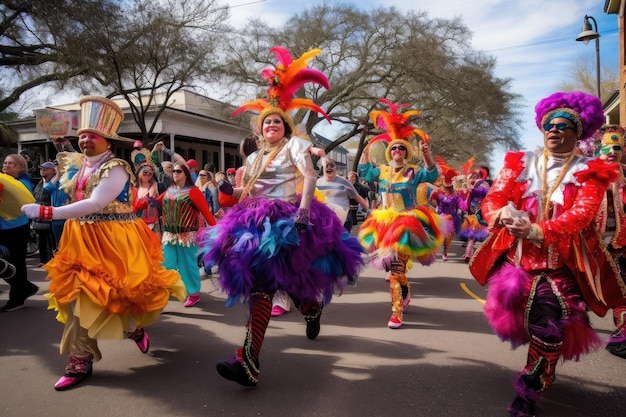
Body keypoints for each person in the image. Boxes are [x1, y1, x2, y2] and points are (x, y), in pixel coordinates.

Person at [197, 46, 365, 387]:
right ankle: (247, 362)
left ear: (285, 127)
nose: (271, 124)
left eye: (277, 121)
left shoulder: (295, 146)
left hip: (293, 221)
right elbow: (248, 191)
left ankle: (310, 309)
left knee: (294, 280)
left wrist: (303, 211)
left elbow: (310, 176)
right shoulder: (255, 156)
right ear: (260, 130)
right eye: (267, 122)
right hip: (256, 226)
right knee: (261, 288)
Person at [468, 91, 626, 417]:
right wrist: (501, 214)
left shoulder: (591, 171)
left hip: (560, 266)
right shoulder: (519, 163)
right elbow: (493, 199)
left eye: (563, 125)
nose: (554, 129)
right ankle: (540, 365)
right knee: (523, 322)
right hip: (516, 263)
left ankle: (531, 385)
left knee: (550, 327)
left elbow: (581, 216)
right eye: (548, 124)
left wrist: (538, 231)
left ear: (577, 132)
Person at [21, 96, 186, 390]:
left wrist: (48, 212)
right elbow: (65, 190)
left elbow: (96, 202)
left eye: (91, 136)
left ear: (106, 140)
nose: (84, 140)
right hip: (80, 239)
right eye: (82, 135)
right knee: (77, 297)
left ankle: (134, 328)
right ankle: (79, 358)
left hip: (114, 240)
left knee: (120, 294)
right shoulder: (77, 165)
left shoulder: (117, 167)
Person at [358, 98, 446, 329]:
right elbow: (365, 172)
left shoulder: (413, 171)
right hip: (384, 223)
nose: (397, 150)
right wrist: (367, 148)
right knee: (390, 267)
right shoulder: (383, 170)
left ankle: (396, 312)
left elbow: (431, 176)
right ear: (389, 152)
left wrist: (427, 154)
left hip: (407, 223)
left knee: (397, 269)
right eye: (393, 148)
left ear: (406, 152)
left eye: (401, 148)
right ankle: (405, 290)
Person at [148, 162, 216, 307]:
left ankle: (194, 293)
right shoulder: (170, 190)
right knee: (166, 264)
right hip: (170, 235)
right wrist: (138, 200)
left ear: (186, 173)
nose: (175, 173)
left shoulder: (193, 191)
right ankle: (165, 292)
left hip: (187, 236)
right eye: (173, 171)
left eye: (178, 171)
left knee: (188, 265)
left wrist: (220, 231)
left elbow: (207, 214)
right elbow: (155, 202)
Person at [585, 124, 626, 359]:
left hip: (621, 244)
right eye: (606, 147)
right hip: (590, 243)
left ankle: (623, 337)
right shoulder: (587, 174)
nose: (611, 152)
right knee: (582, 290)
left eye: (617, 147)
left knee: (622, 292)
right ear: (598, 150)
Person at [0, 153, 38, 312]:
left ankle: (17, 298)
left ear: (21, 167)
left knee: (16, 262)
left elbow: (20, 200)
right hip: (3, 227)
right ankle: (26, 287)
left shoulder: (24, 183)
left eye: (11, 164)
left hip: (16, 228)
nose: (6, 165)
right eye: (5, 162)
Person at [429, 167, 463, 261]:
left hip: (451, 219)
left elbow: (462, 205)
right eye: (445, 186)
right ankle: (433, 252)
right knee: (437, 236)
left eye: (449, 186)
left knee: (448, 238)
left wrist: (465, 195)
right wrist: (433, 198)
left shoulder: (456, 195)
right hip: (440, 217)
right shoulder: (438, 192)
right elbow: (432, 201)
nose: (447, 188)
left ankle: (445, 253)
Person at [458, 167, 490, 262]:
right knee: (472, 235)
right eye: (474, 175)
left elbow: (484, 192)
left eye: (477, 175)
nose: (475, 176)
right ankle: (468, 254)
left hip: (480, 213)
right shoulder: (471, 184)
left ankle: (476, 255)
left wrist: (471, 189)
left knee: (479, 236)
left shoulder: (484, 184)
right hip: (472, 213)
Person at [31, 161, 57, 265]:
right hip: (39, 216)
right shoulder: (39, 182)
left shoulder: (55, 182)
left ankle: (53, 260)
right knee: (41, 240)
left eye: (46, 169)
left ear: (53, 171)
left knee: (52, 240)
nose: (43, 170)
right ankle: (44, 260)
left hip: (50, 215)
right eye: (42, 168)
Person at [44, 159, 70, 247]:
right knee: (58, 243)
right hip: (55, 217)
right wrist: (58, 174)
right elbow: (47, 189)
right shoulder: (54, 180)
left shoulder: (71, 178)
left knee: (69, 242)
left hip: (68, 216)